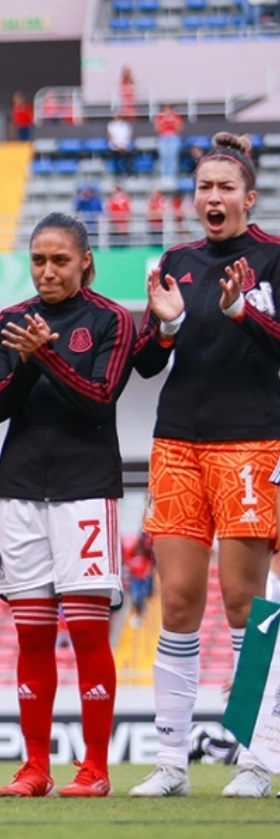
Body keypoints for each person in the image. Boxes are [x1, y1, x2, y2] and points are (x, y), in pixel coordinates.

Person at [130, 132, 280, 799]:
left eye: (225, 188)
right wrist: (162, 328)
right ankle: (171, 764)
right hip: (177, 443)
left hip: (251, 443)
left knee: (245, 605)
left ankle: (256, 757)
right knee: (181, 603)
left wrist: (243, 311)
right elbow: (146, 363)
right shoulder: (178, 260)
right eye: (204, 188)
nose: (212, 198)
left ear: (250, 198)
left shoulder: (274, 260)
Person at [0, 213, 135, 798]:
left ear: (85, 261)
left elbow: (98, 401)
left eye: (60, 261)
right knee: (32, 638)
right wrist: (25, 361)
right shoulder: (10, 322)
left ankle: (95, 767)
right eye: (38, 260)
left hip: (85, 492)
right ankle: (35, 767)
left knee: (90, 636)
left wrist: (43, 356)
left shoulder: (110, 320)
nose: (47, 271)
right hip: (19, 492)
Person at [155, 104, 184, 187]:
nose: (167, 110)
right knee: (164, 156)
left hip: (173, 137)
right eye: (166, 108)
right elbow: (157, 128)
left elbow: (179, 128)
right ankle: (164, 176)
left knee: (172, 157)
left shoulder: (176, 116)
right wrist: (165, 122)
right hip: (163, 137)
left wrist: (171, 122)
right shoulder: (160, 116)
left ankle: (172, 176)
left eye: (169, 108)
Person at [107, 112, 134, 179]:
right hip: (115, 147)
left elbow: (129, 135)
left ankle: (128, 174)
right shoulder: (111, 125)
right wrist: (118, 146)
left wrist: (123, 146)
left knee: (128, 160)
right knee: (115, 160)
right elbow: (110, 136)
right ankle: (116, 174)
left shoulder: (126, 125)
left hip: (125, 146)